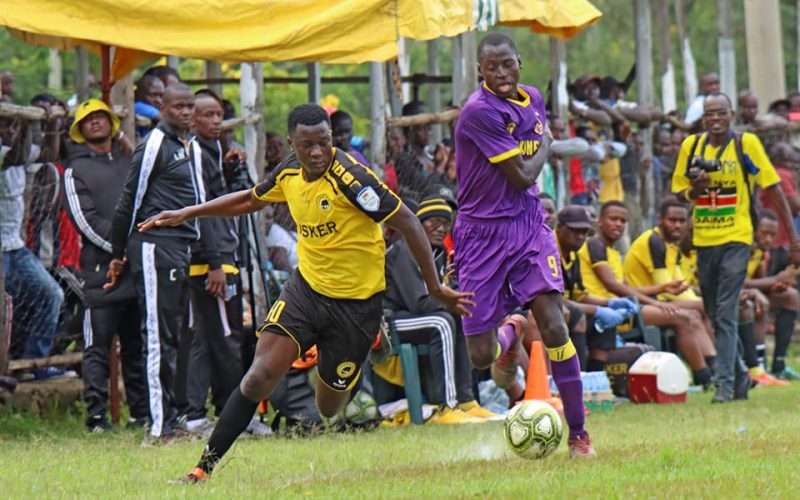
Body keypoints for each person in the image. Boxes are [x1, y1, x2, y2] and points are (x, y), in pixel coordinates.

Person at [138, 103, 471, 482]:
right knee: (259, 376)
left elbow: (409, 222)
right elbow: (250, 199)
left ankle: (374, 336)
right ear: (292, 144)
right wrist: (189, 212)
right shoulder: (289, 172)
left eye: (324, 143)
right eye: (307, 145)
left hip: (357, 305)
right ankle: (202, 469)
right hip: (307, 292)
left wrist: (435, 287)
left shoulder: (353, 179)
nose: (317, 153)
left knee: (328, 407)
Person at [453, 33, 594, 458]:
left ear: (519, 63)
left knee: (554, 324)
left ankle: (578, 435)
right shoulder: (478, 113)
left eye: (507, 65)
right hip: (481, 235)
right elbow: (523, 175)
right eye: (491, 67)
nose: (501, 74)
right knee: (480, 356)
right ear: (480, 71)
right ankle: (509, 332)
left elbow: (526, 188)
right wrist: (550, 143)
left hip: (529, 225)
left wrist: (545, 139)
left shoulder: (532, 98)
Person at [672, 92, 800, 402]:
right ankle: (742, 376)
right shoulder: (692, 147)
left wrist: (794, 240)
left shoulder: (746, 144)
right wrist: (695, 189)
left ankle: (725, 386)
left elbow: (774, 190)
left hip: (737, 238)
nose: (714, 120)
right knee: (716, 313)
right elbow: (678, 194)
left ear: (731, 116)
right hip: (704, 239)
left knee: (727, 311)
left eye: (720, 114)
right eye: (709, 115)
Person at [108, 83, 205, 441]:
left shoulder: (190, 146)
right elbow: (129, 202)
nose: (184, 112)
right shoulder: (154, 145)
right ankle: (158, 425)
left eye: (189, 106)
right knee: (155, 338)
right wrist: (119, 254)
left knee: (175, 336)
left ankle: (174, 416)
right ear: (161, 108)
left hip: (181, 248)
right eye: (177, 106)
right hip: (152, 247)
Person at [62, 99, 148, 431]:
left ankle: (140, 413)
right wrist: (117, 251)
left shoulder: (130, 162)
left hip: (135, 268)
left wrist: (130, 251)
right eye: (88, 119)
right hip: (100, 273)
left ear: (111, 123)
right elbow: (85, 220)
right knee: (97, 347)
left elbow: (145, 205)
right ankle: (96, 416)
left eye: (101, 116)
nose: (95, 122)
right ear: (80, 129)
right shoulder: (76, 169)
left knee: (136, 345)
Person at [383, 194, 494, 422]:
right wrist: (451, 303)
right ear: (418, 223)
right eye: (433, 222)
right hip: (390, 321)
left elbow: (448, 293)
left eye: (445, 223)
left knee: (463, 316)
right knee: (442, 321)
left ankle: (466, 400)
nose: (440, 228)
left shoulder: (439, 254)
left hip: (417, 316)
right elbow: (417, 303)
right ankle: (447, 406)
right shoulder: (404, 250)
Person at [579, 201, 715, 387]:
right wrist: (654, 303)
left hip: (625, 308)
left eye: (622, 221)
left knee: (690, 314)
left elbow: (627, 288)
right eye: (613, 219)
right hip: (608, 310)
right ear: (600, 222)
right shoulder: (595, 245)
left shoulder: (613, 252)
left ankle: (711, 370)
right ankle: (705, 376)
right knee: (683, 317)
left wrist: (662, 289)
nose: (618, 224)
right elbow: (612, 285)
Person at [181, 90, 247, 433]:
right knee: (225, 339)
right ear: (192, 119)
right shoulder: (194, 153)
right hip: (211, 261)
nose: (216, 121)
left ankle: (198, 415)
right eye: (208, 115)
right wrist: (216, 261)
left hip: (214, 256)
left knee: (206, 340)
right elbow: (204, 210)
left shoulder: (213, 152)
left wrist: (232, 172)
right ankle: (229, 414)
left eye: (219, 115)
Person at [1, 110, 65, 377]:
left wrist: (52, 125)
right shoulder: (8, 153)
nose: (11, 130)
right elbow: (16, 156)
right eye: (7, 125)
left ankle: (34, 361)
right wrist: (28, 124)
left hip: (14, 246)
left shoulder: (17, 150)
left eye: (15, 126)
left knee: (52, 294)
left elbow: (48, 155)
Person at [554, 205, 636, 371]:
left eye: (584, 232)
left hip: (566, 308)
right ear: (560, 228)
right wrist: (597, 309)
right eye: (574, 231)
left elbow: (580, 296)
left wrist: (610, 304)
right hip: (546, 312)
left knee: (603, 322)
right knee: (578, 315)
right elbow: (552, 299)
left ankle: (596, 378)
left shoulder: (573, 255)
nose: (580, 237)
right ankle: (577, 378)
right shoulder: (549, 250)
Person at [742, 211, 799, 382]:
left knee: (791, 296)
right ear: (754, 230)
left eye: (772, 235)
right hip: (734, 296)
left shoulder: (761, 253)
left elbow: (760, 281)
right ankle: (759, 365)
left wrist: (775, 285)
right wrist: (772, 280)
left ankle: (779, 365)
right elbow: (735, 283)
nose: (768, 239)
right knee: (759, 302)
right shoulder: (742, 249)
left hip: (749, 294)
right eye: (764, 233)